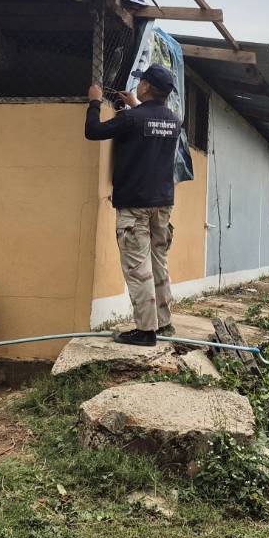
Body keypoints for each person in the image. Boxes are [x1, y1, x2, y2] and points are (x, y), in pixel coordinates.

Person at [85, 64, 183, 346]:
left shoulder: (131, 120)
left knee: (137, 267)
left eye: (142, 82)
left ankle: (145, 331)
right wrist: (136, 105)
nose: (139, 84)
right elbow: (150, 124)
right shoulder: (173, 120)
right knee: (158, 263)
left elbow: (93, 131)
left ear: (146, 87)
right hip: (162, 204)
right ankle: (164, 324)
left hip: (135, 205)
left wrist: (94, 100)